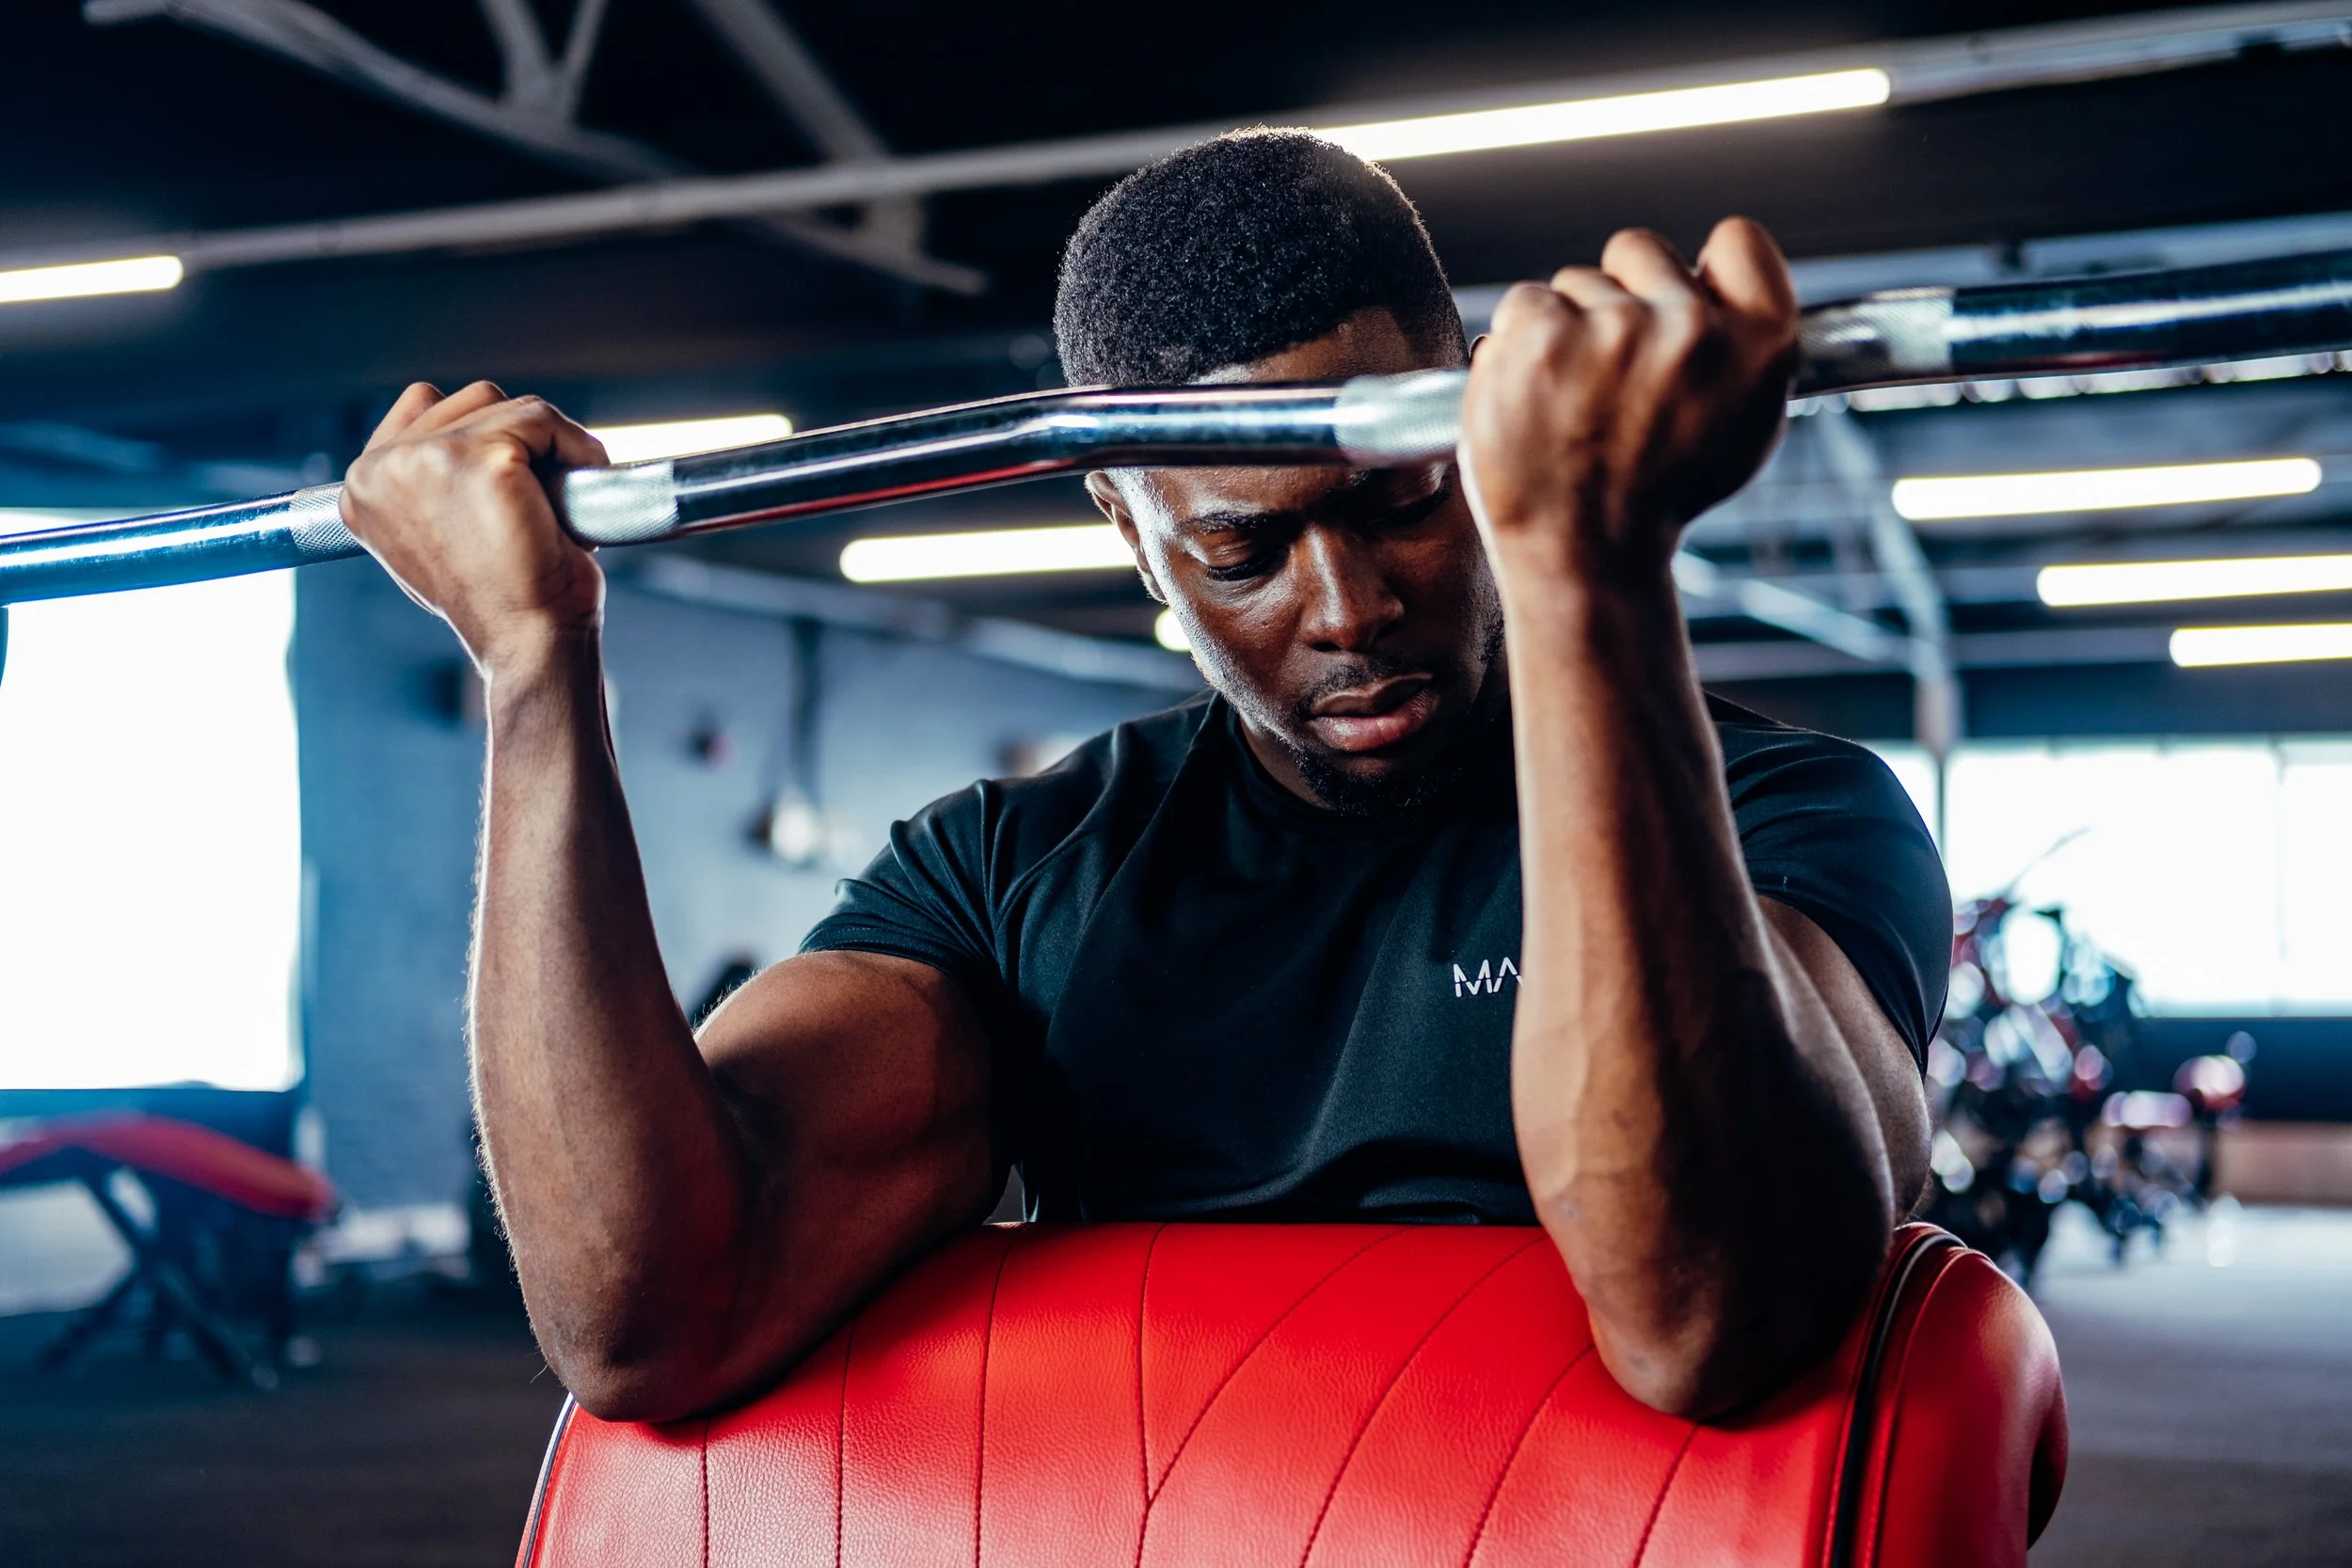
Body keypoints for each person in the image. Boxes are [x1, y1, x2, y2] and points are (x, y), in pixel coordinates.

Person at [338, 131, 1947, 1425]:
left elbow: (1707, 1317)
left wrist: (1593, 563)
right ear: (1130, 527)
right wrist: (533, 664)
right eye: (1243, 548)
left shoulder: (1786, 815)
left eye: (1401, 502)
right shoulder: (1014, 877)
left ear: (1475, 428)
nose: (1349, 608)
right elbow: (648, 1320)